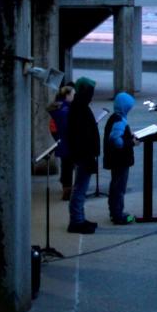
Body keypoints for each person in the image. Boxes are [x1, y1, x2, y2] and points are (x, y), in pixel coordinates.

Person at [66, 77, 100, 234]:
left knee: (81, 188)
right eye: (89, 92)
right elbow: (79, 135)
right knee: (80, 188)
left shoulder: (80, 106)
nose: (91, 96)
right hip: (83, 155)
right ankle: (76, 221)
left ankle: (79, 218)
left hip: (85, 154)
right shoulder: (79, 108)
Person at [104, 92, 137, 225]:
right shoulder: (119, 121)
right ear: (125, 107)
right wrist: (131, 142)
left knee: (116, 185)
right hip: (120, 160)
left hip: (116, 159)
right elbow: (116, 140)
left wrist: (129, 136)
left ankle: (115, 212)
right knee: (119, 187)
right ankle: (118, 215)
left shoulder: (115, 117)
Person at [47, 83, 76, 201]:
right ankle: (67, 189)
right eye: (73, 94)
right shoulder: (65, 109)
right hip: (65, 138)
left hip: (60, 135)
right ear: (67, 95)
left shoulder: (60, 106)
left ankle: (65, 184)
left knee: (66, 163)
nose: (74, 96)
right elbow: (68, 126)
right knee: (68, 163)